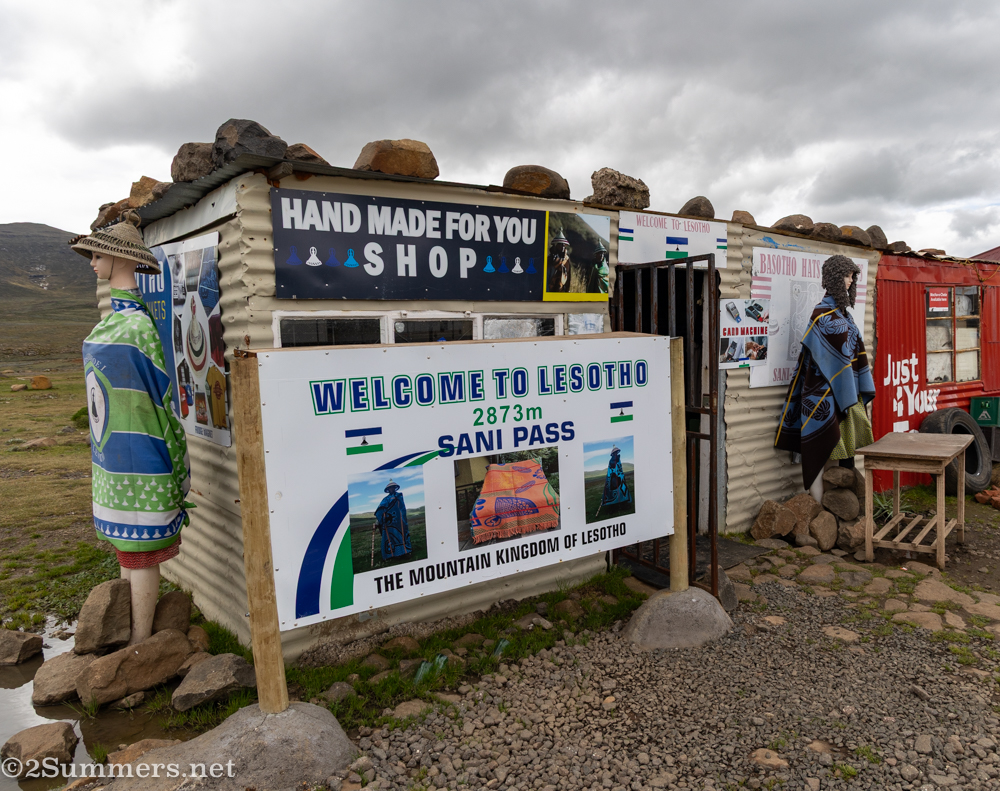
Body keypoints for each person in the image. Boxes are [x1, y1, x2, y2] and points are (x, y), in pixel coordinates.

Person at [71, 212, 191, 645]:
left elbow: (160, 396)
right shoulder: (115, 323)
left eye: (96, 255)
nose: (91, 263)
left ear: (118, 259)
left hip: (141, 453)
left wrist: (173, 456)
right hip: (113, 453)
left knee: (142, 549)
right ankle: (133, 636)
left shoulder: (138, 326)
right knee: (129, 547)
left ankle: (141, 644)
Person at [774, 255, 875, 500]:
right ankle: (817, 506)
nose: (850, 280)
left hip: (846, 391)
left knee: (840, 446)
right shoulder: (822, 315)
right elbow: (823, 358)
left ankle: (836, 504)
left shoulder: (845, 315)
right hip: (821, 391)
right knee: (818, 446)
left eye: (853, 276)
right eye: (846, 275)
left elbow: (852, 353)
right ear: (834, 277)